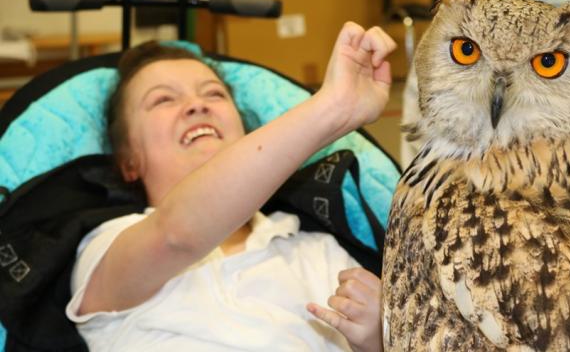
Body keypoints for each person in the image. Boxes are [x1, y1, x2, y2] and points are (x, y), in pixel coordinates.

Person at [65, 22, 395, 352]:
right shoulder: (105, 246)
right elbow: (176, 234)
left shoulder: (318, 253)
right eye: (163, 99)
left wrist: (381, 340)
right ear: (129, 162)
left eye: (214, 93)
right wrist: (333, 107)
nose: (197, 105)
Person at [401, 0, 570, 168]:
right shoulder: (448, 34)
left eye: (548, 62)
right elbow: (415, 155)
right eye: (467, 51)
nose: (498, 91)